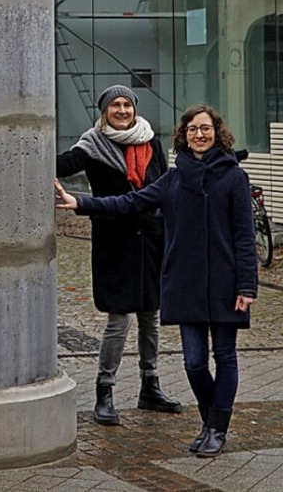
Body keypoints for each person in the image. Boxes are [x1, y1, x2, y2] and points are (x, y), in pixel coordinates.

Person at [56, 103, 257, 457]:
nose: (199, 134)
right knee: (193, 362)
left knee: (224, 356)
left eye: (206, 128)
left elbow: (244, 235)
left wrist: (247, 286)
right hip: (185, 282)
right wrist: (82, 203)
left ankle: (216, 428)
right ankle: (212, 421)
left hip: (226, 283)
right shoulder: (175, 178)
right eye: (193, 129)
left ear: (217, 133)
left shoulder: (234, 177)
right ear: (184, 136)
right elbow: (131, 201)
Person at [56, 85, 181, 425]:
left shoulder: (151, 140)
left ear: (135, 108)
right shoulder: (92, 144)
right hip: (115, 239)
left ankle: (150, 386)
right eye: (115, 105)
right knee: (119, 318)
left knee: (150, 315)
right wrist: (30, 157)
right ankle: (105, 391)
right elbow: (64, 164)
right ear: (104, 111)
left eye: (127, 104)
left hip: (151, 239)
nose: (122, 110)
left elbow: (160, 185)